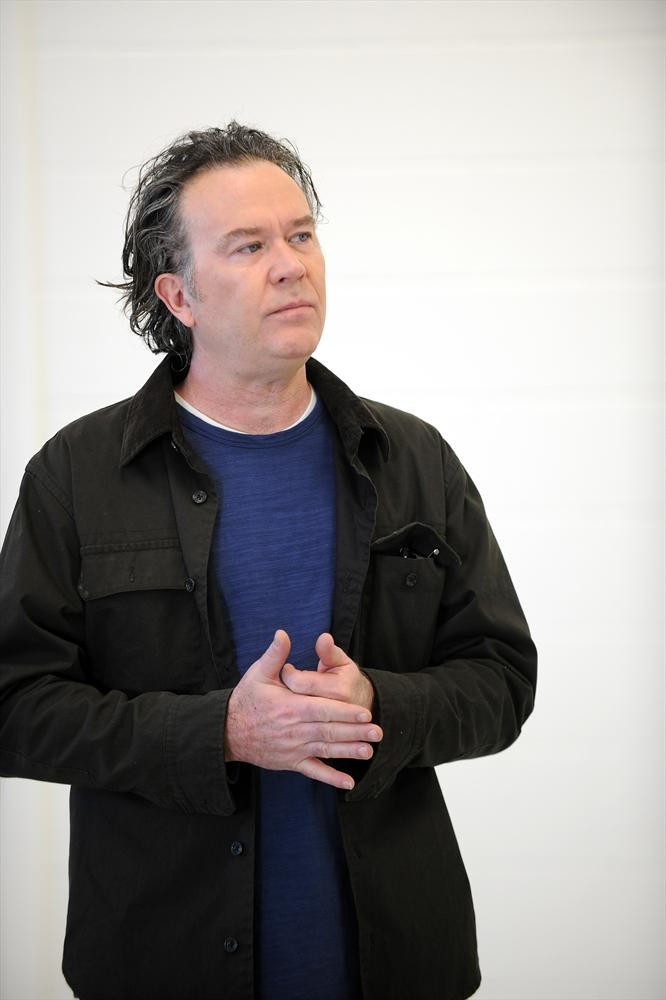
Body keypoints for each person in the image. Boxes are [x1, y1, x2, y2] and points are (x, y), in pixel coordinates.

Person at [0, 122, 537, 1000]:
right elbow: (15, 704)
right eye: (248, 246)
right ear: (179, 295)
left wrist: (380, 707)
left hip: (398, 964)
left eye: (301, 235)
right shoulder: (76, 475)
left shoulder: (415, 460)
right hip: (160, 963)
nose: (291, 266)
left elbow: (503, 680)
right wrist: (222, 733)